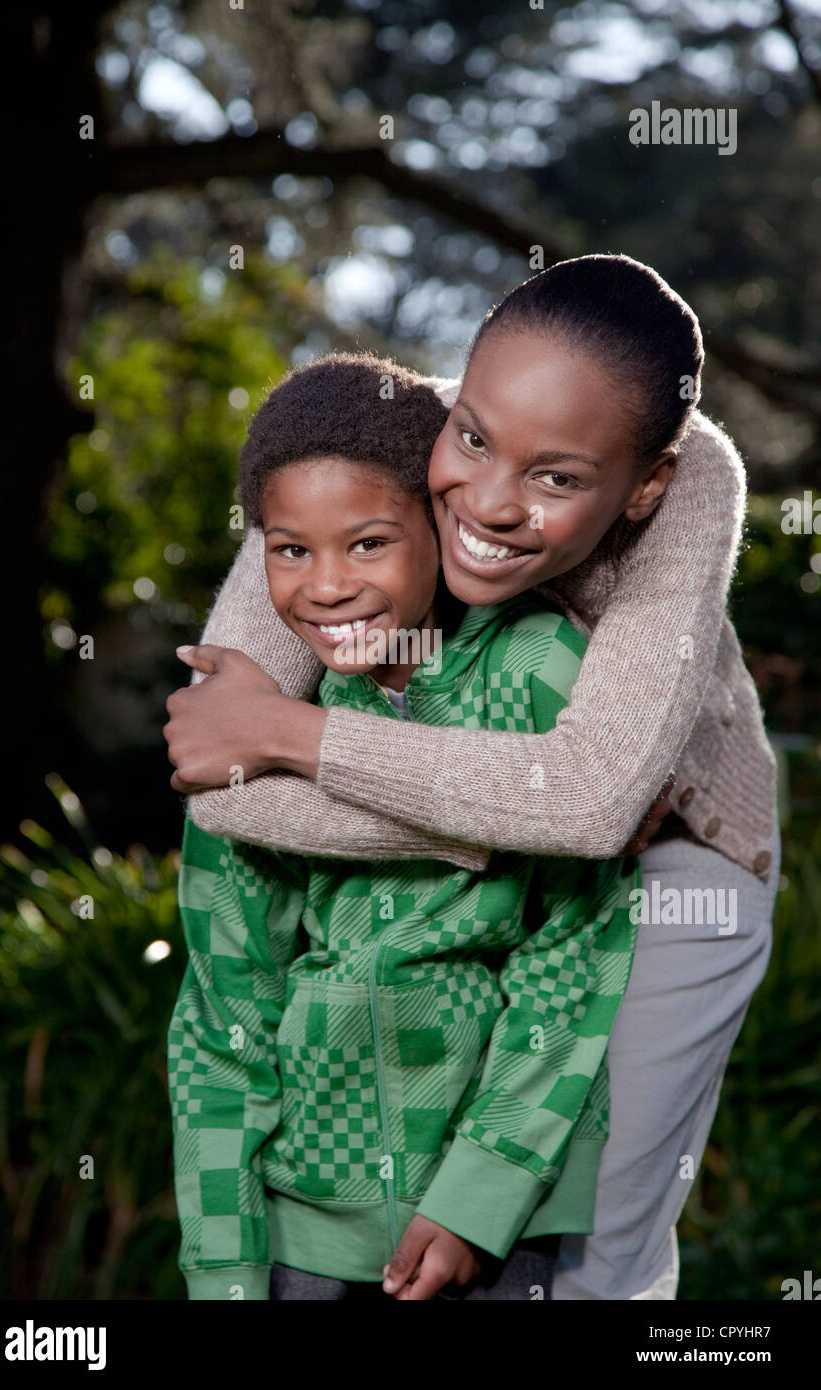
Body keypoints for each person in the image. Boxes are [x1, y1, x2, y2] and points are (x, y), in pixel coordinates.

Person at [164, 254, 780, 1300]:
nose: (486, 502)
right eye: (475, 438)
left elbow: (593, 802)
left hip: (675, 858)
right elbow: (218, 774)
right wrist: (505, 828)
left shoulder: (693, 485)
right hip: (493, 862)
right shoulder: (362, 441)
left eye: (556, 478)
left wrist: (289, 732)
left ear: (640, 485)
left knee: (586, 1256)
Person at [166, 354, 640, 1302]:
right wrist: (224, 1264)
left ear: (440, 524)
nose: (327, 586)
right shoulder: (246, 723)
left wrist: (479, 1195)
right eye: (291, 549)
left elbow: (574, 961)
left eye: (369, 543)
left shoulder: (540, 672)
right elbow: (222, 1016)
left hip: (498, 1217)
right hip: (306, 1219)